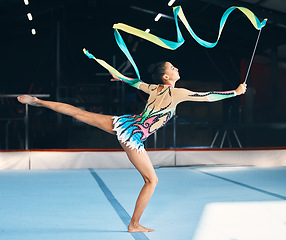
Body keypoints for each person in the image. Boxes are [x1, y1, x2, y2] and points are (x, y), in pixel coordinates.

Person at [17, 61, 247, 232]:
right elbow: (207, 96)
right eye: (173, 67)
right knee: (152, 180)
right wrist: (235, 92)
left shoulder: (153, 88)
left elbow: (136, 82)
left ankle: (38, 102)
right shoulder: (178, 93)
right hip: (134, 135)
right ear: (167, 77)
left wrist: (121, 78)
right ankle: (134, 224)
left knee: (79, 113)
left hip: (125, 123)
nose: (177, 68)